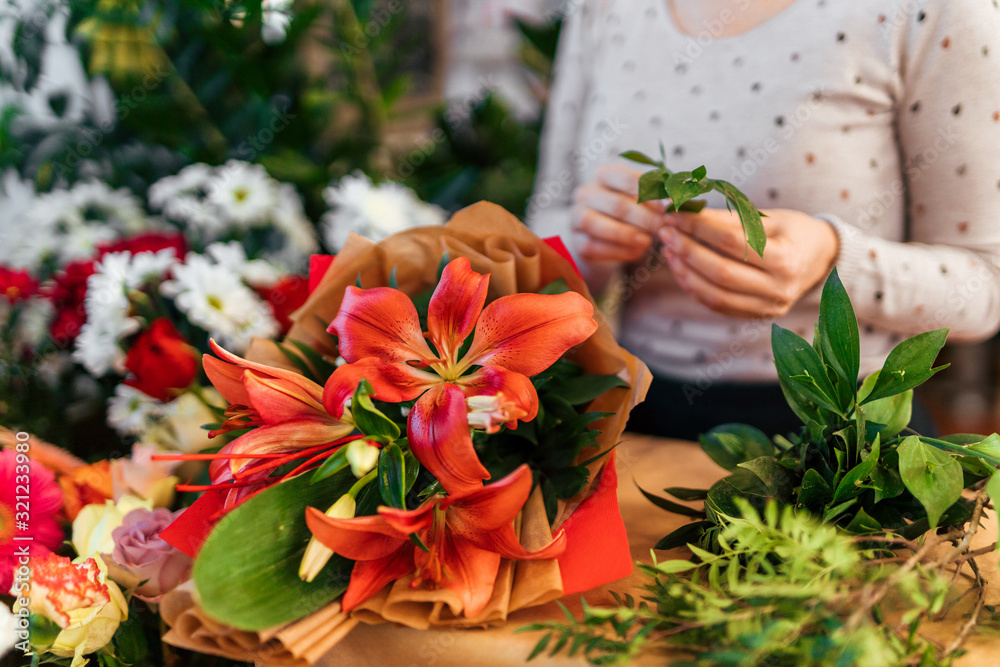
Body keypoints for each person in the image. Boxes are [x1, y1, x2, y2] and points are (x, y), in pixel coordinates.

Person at [526, 0, 1000, 440]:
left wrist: (832, 262)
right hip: (633, 426)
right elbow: (539, 233)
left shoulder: (931, 11)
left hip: (844, 447)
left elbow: (987, 285)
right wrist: (586, 237)